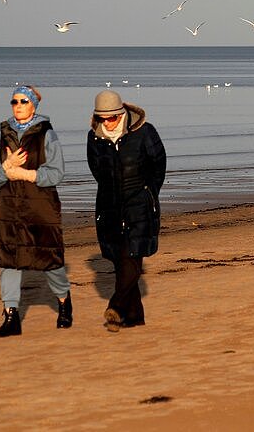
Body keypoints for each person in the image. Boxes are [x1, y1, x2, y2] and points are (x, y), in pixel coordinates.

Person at [0, 85, 71, 337]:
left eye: (23, 101)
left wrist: (26, 174)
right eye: (14, 101)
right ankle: (11, 318)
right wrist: (7, 166)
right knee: (9, 262)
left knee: (50, 261)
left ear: (34, 105)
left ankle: (64, 302)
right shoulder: (2, 135)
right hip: (9, 207)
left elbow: (57, 173)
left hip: (41, 206)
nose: (18, 105)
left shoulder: (47, 134)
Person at [87, 90, 166, 332]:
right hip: (110, 207)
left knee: (133, 257)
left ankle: (117, 307)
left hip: (140, 204)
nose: (108, 122)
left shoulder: (144, 132)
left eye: (112, 117)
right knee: (121, 261)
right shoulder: (94, 138)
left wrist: (148, 193)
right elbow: (97, 171)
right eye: (103, 118)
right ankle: (134, 316)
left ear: (121, 113)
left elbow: (159, 165)